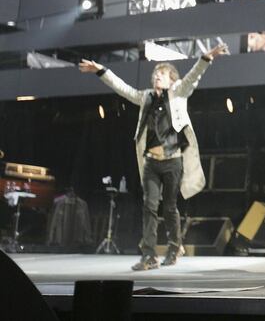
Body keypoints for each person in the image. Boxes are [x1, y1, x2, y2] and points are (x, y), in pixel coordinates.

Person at [78, 44, 229, 270]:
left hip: (173, 161)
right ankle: (148, 255)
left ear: (171, 80)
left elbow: (192, 76)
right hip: (151, 162)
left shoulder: (178, 93)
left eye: (162, 74)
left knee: (169, 207)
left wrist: (207, 57)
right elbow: (122, 88)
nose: (157, 76)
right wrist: (101, 70)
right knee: (149, 206)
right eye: (155, 74)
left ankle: (174, 247)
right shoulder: (145, 97)